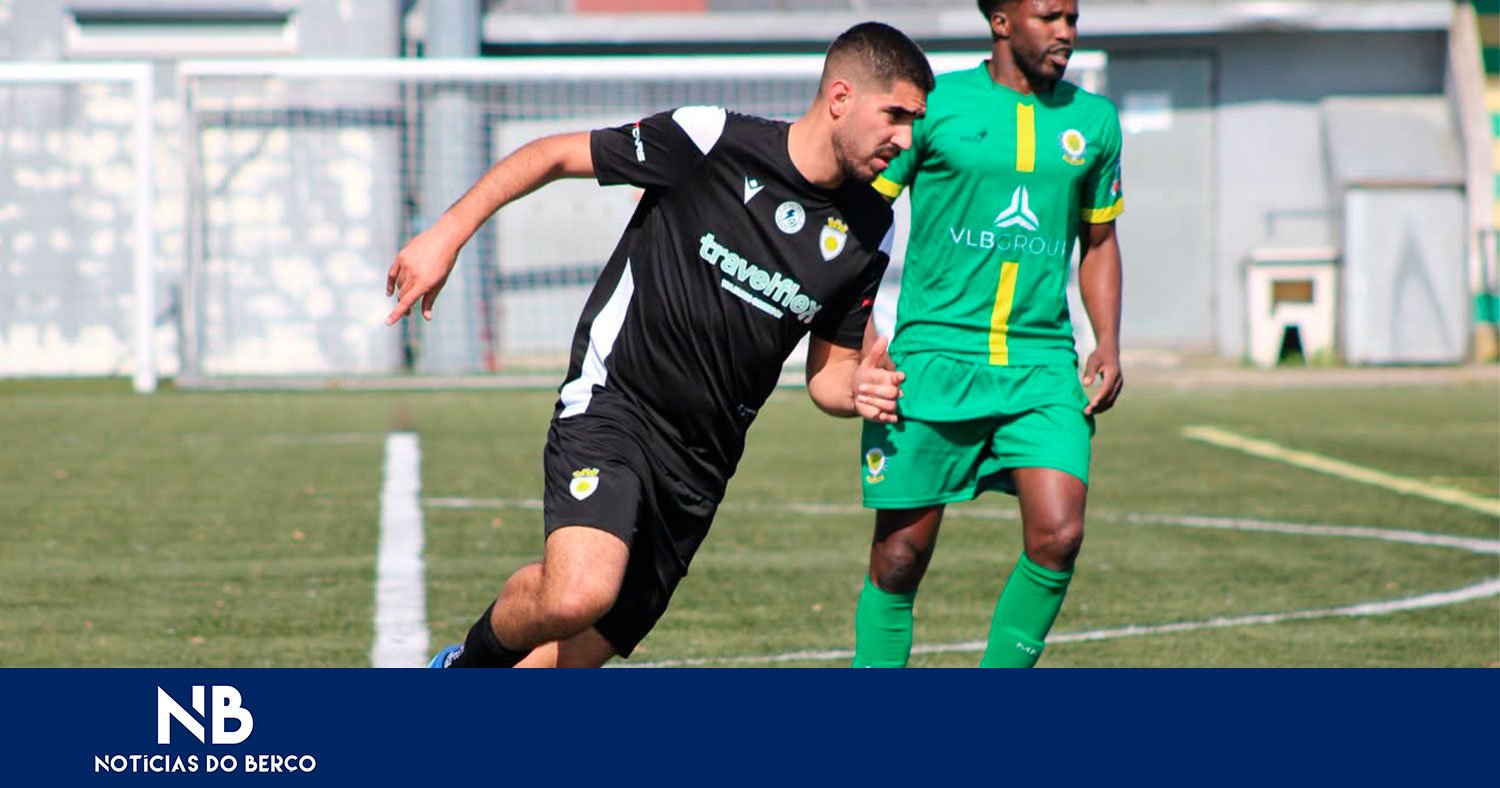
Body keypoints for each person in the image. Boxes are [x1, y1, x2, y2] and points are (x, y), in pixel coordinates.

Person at [385, 22, 933, 668]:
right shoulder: (711, 141)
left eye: (914, 122)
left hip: (702, 461)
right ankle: (461, 666)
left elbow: (826, 376)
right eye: (894, 115)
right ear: (840, 96)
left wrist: (859, 390)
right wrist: (445, 235)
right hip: (617, 404)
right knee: (576, 594)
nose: (903, 140)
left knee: (571, 655)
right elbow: (553, 155)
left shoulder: (872, 228)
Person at [849, 0, 1124, 668]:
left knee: (1058, 535)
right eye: (1049, 16)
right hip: (932, 359)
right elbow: (858, 219)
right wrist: (861, 333)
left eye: (1073, 17)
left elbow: (1100, 240)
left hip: (1040, 364)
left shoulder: (1095, 122)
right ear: (1002, 21)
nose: (1066, 32)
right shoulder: (936, 107)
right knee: (900, 555)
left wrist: (1108, 342)